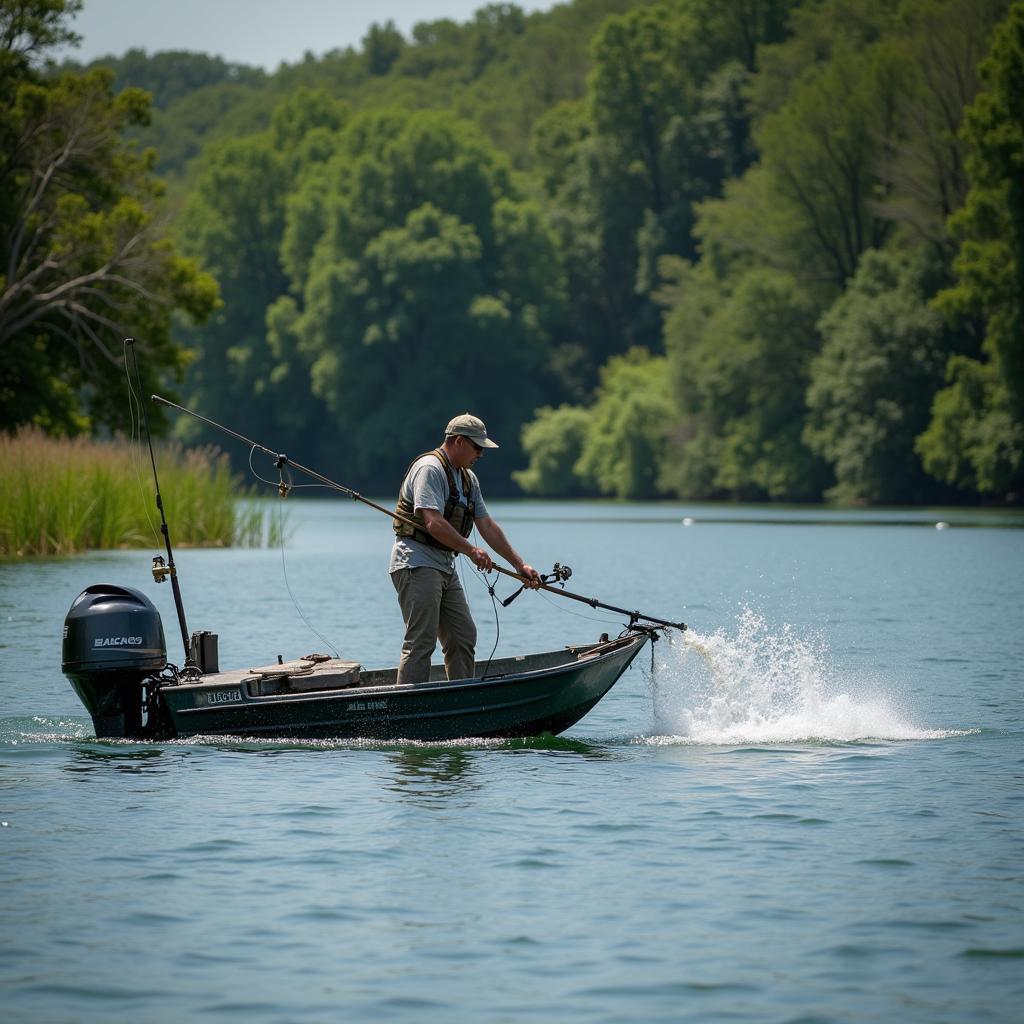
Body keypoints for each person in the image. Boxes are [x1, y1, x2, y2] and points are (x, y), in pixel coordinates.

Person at [389, 413, 542, 685]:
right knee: (421, 641)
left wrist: (520, 565)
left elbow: (487, 525)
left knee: (463, 637)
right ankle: (407, 713)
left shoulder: (468, 479)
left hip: (444, 565)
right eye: (477, 447)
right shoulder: (430, 469)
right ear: (459, 441)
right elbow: (434, 523)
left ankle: (459, 703)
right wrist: (472, 551)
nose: (481, 454)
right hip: (416, 564)